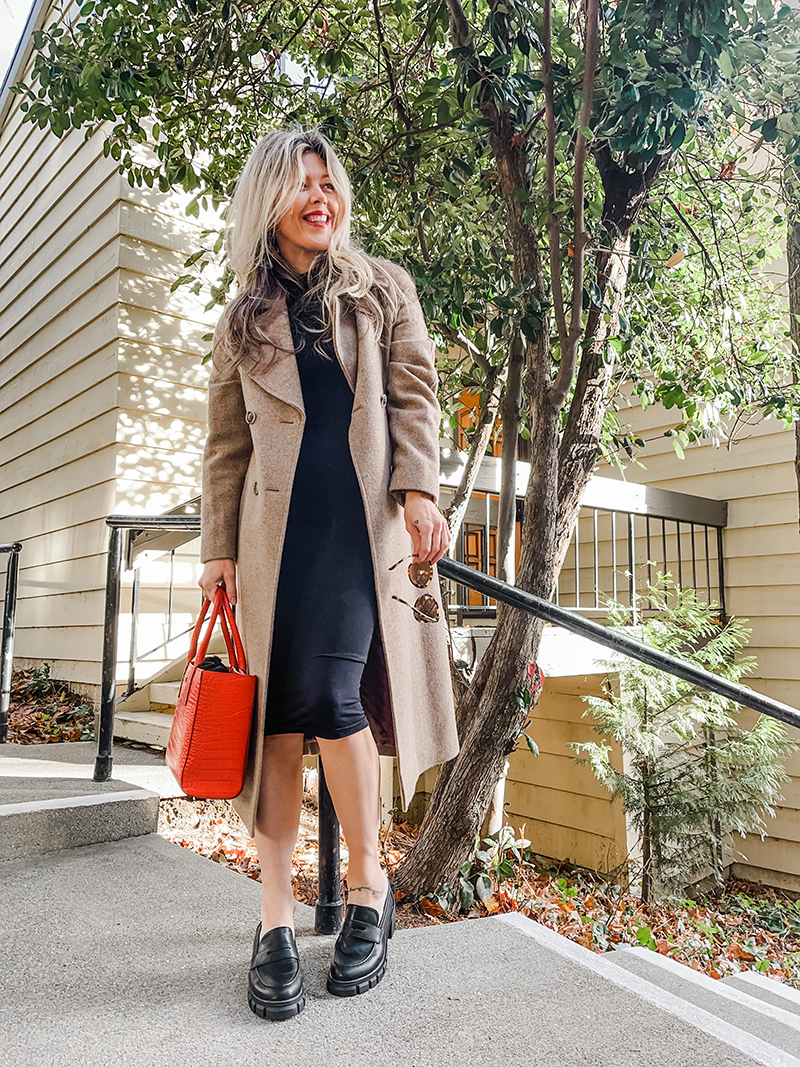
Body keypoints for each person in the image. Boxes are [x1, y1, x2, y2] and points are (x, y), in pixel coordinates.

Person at [198, 127, 459, 1020]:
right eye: (301, 184)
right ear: (270, 200)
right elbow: (224, 451)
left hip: (358, 531)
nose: (320, 197)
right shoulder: (241, 319)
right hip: (275, 542)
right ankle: (272, 919)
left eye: (328, 183)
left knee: (340, 702)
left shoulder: (382, 287)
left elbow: (416, 390)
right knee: (276, 715)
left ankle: (366, 887)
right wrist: (216, 554)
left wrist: (419, 487)